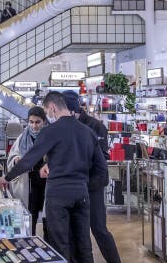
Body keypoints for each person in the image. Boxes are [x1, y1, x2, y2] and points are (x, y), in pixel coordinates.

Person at [0, 91, 107, 262]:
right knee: (84, 245)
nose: (48, 116)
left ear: (52, 108)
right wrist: (84, 185)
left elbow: (28, 160)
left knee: (60, 245)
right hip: (82, 195)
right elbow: (102, 171)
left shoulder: (51, 132)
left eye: (47, 112)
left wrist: (7, 177)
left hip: (58, 195)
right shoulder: (87, 132)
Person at [74, 104, 121, 263]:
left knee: (99, 228)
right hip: (77, 183)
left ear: (74, 110)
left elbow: (103, 156)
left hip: (94, 184)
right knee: (79, 230)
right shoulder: (69, 125)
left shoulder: (96, 126)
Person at [7, 106, 48, 238]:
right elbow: (12, 156)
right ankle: (31, 243)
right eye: (31, 122)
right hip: (30, 184)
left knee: (49, 219)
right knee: (31, 216)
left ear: (44, 121)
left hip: (47, 183)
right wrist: (16, 160)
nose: (34, 126)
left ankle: (49, 246)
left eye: (37, 122)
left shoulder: (50, 136)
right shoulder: (22, 138)